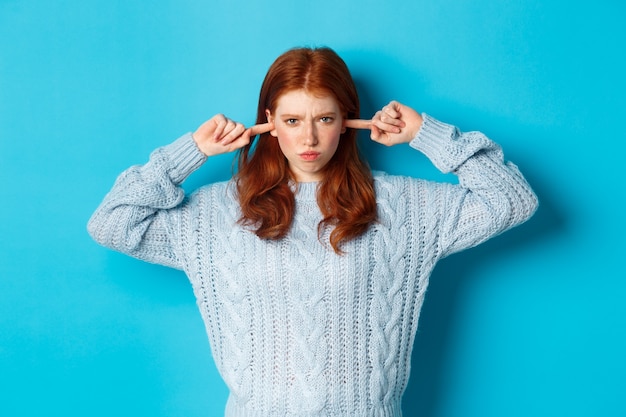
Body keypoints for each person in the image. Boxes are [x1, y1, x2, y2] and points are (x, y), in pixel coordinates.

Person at [88, 46, 538, 416]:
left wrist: (426, 134)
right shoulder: (217, 212)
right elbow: (112, 224)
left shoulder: (404, 207)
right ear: (268, 122)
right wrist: (189, 151)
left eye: (324, 119)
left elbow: (512, 200)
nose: (308, 140)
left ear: (347, 120)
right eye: (292, 121)